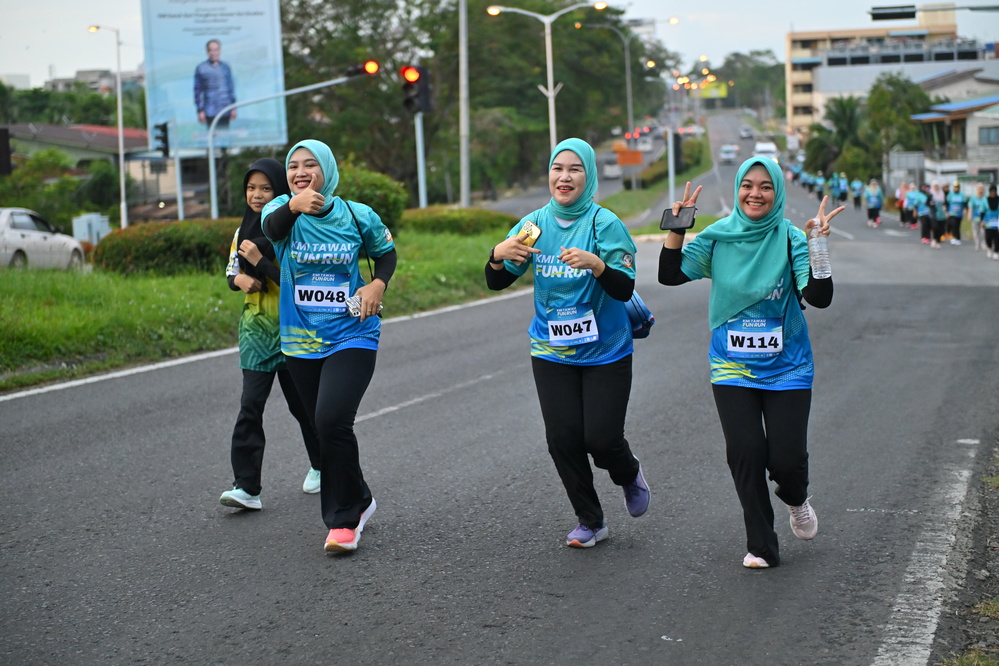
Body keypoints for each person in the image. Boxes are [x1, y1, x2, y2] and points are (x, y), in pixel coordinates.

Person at [657, 157, 843, 569]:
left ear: (777, 193)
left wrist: (817, 245)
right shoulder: (718, 237)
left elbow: (820, 298)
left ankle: (796, 497)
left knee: (786, 461)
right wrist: (677, 227)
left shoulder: (791, 238)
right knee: (745, 452)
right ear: (738, 189)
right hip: (732, 367)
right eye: (747, 185)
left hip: (788, 367)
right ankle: (761, 545)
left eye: (765, 187)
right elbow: (670, 275)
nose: (754, 194)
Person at [484, 137, 651, 549]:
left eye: (575, 169)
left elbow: (624, 287)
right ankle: (590, 520)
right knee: (562, 438)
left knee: (602, 439)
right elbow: (497, 280)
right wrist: (496, 255)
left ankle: (628, 472)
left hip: (606, 350)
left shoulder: (603, 224)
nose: (564, 177)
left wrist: (598, 265)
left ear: (588, 176)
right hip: (551, 349)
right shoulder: (533, 226)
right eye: (558, 168)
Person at [262, 139, 397, 553]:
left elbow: (386, 253)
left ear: (327, 170)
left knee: (332, 418)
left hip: (354, 333)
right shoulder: (279, 210)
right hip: (300, 340)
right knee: (323, 428)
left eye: (310, 165)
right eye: (293, 166)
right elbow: (272, 230)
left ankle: (343, 520)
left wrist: (377, 284)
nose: (300, 172)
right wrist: (294, 205)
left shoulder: (357, 215)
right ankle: (361, 497)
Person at [219, 159, 322, 511]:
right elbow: (231, 269)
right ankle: (246, 488)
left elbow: (302, 282)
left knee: (304, 407)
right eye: (251, 188)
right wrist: (239, 279)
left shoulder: (295, 229)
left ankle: (323, 465)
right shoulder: (241, 232)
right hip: (256, 330)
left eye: (266, 188)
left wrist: (261, 262)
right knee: (250, 406)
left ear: (280, 191)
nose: (257, 195)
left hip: (295, 328)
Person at [194, 39, 236, 127]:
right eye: (211, 50)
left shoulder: (226, 67)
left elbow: (230, 88)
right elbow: (197, 91)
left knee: (225, 134)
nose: (214, 53)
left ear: (220, 51)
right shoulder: (201, 68)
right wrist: (200, 110)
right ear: (207, 52)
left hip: (225, 110)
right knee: (212, 134)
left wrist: (233, 107)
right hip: (210, 111)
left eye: (216, 50)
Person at [945, 181, 967, 246]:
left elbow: (965, 203)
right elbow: (946, 203)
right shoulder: (950, 195)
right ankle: (954, 237)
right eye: (955, 187)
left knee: (957, 226)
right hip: (952, 213)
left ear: (959, 188)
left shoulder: (962, 195)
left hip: (959, 214)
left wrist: (965, 209)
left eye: (957, 187)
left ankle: (958, 238)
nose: (956, 188)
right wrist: (946, 211)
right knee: (953, 224)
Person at [968, 182, 987, 251]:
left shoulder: (985, 198)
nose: (980, 190)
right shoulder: (973, 198)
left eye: (982, 188)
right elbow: (971, 207)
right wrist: (969, 215)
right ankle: (977, 244)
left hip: (984, 218)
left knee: (983, 232)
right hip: (975, 218)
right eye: (979, 188)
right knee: (976, 232)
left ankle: (984, 243)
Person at [982, 184, 999, 260]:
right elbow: (982, 211)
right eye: (991, 191)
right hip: (988, 222)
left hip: (997, 221)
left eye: (994, 191)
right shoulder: (985, 200)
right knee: (988, 237)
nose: (993, 192)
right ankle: (989, 248)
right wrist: (982, 221)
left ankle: (996, 252)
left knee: (997, 237)